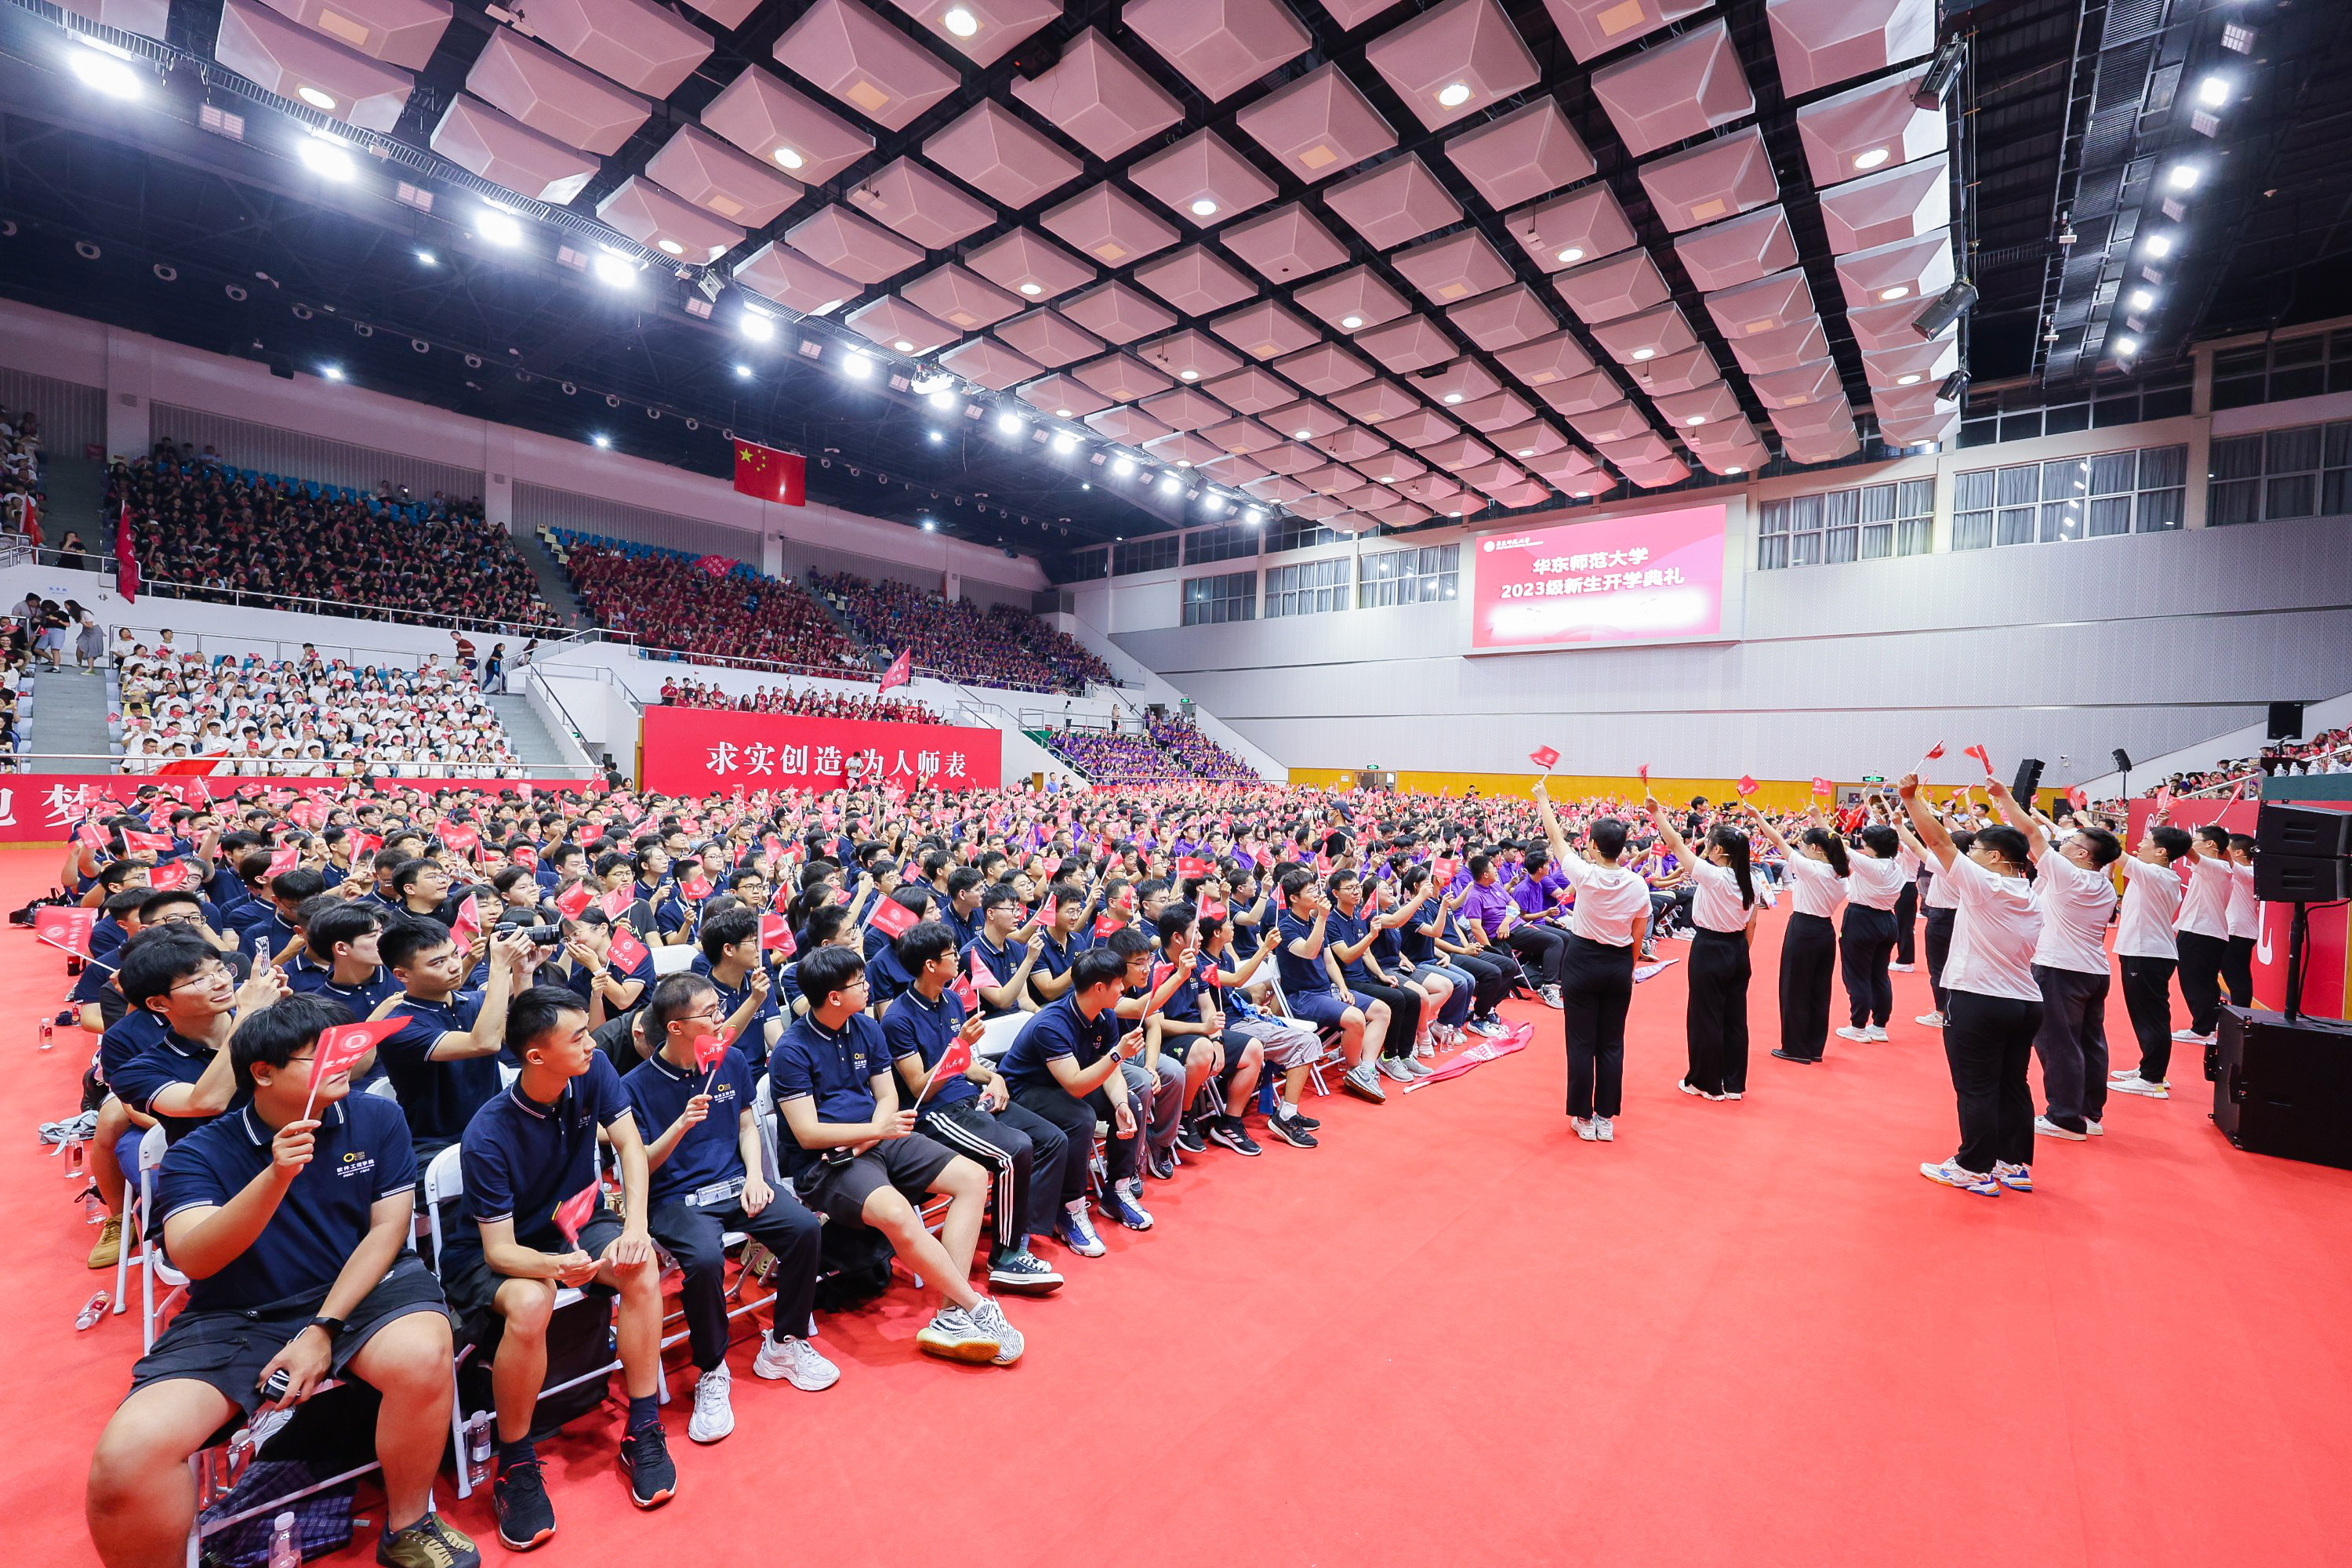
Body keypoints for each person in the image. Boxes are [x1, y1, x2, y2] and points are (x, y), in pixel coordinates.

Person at [85, 994, 477, 1568]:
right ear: (263, 1072)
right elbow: (194, 1259)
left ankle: (409, 1525)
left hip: (362, 1291)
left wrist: (322, 1328)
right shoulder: (197, 1153)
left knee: (422, 1355)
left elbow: (387, 1231)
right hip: (239, 1313)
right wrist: (275, 1175)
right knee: (126, 1457)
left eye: (344, 1048)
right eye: (319, 1055)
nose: (344, 1062)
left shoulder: (376, 1117)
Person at [442, 985, 677, 1550]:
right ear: (536, 1056)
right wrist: (555, 1266)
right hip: (497, 1249)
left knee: (641, 1268)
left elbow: (630, 1146)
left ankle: (643, 1427)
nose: (592, 1044)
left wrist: (635, 1228)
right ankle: (516, 1464)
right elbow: (500, 1252)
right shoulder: (488, 1134)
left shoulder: (591, 1073)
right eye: (577, 1038)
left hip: (576, 1223)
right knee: (531, 1302)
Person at [770, 944, 1023, 1362]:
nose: (868, 987)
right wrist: (875, 1132)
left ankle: (950, 1315)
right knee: (898, 1212)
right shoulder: (791, 1050)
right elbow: (808, 1133)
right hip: (826, 1163)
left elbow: (887, 1095)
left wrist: (874, 1134)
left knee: (973, 1177)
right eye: (858, 983)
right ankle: (976, 1306)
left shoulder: (866, 1028)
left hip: (876, 1139)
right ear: (833, 997)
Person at [626, 974, 835, 1445]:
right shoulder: (634, 1086)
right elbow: (641, 1164)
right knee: (704, 1260)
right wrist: (681, 1125)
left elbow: (745, 1126)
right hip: (675, 1199)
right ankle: (712, 1369)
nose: (721, 1019)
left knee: (804, 1227)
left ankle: (784, 1343)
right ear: (676, 1027)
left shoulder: (730, 1059)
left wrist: (757, 1176)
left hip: (738, 1184)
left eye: (719, 1008)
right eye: (710, 1013)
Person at [881, 921, 1066, 1294]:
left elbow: (964, 1064)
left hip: (968, 1097)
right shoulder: (897, 1018)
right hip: (936, 1114)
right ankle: (1006, 1258)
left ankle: (1018, 1231)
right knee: (1015, 1150)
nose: (958, 957)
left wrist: (992, 1077)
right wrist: (959, 1046)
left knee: (1052, 1139)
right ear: (930, 965)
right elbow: (920, 1089)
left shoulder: (951, 999)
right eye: (951, 954)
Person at [1896, 771, 2043, 1196]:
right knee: (2014, 1084)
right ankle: (2012, 1163)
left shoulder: (1986, 885)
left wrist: (1910, 799)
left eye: (1975, 849)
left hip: (1980, 999)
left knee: (1976, 1086)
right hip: (2025, 1001)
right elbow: (2028, 835)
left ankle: (1974, 1167)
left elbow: (1939, 843)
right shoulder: (2031, 890)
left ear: (1995, 857)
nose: (1968, 854)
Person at [1981, 782, 2121, 1142]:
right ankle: (2089, 1113)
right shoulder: (2104, 883)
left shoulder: (2070, 876)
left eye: (2071, 842)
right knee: (2090, 1043)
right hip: (2094, 970)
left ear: (2083, 855)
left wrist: (2003, 796)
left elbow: (2031, 833)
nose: (2064, 843)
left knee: (2058, 1043)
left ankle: (2064, 1117)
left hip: (2061, 969)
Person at [1000, 946, 1146, 1250]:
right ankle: (1070, 1208)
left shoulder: (1105, 1015)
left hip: (1063, 1084)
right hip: (1024, 1090)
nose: (1123, 987)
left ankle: (1117, 1191)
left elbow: (1109, 1071)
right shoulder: (1051, 1025)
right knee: (1080, 1116)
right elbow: (1076, 1087)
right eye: (1118, 983)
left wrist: (1120, 1104)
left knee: (1131, 1102)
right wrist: (1119, 1053)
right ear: (1099, 988)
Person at [1533, 780, 1651, 1141]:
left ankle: (1584, 1118)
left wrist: (1543, 799)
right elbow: (1639, 932)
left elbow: (1555, 838)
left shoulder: (1584, 874)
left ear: (1594, 846)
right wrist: (1629, 967)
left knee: (1581, 1043)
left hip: (1582, 961)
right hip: (1618, 963)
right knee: (1612, 1043)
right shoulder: (1638, 885)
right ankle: (1605, 1118)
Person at [1645, 797, 1758, 1102]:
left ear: (1718, 850)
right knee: (1735, 1019)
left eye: (1709, 843)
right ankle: (1733, 1083)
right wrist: (1740, 953)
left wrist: (1656, 812)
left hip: (1711, 948)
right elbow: (1752, 924)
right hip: (1738, 949)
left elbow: (1674, 844)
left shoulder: (1715, 875)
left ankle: (1706, 1083)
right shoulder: (1751, 878)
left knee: (1705, 1017)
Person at [1750, 811, 1849, 1064]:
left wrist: (1758, 817)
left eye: (1803, 845)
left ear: (1815, 848)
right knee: (1819, 990)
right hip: (1825, 930)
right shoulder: (1840, 873)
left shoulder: (1812, 868)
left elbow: (1777, 840)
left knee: (1794, 988)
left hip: (1804, 929)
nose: (1800, 849)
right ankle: (1814, 1047)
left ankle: (1795, 1047)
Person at [2111, 817, 2193, 1099]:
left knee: (2151, 1017)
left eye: (2146, 840)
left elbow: (2114, 852)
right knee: (2145, 1015)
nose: (2139, 844)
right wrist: (2161, 823)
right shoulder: (2156, 873)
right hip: (2143, 951)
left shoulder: (2155, 874)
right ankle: (2150, 1068)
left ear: (2161, 851)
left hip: (2147, 953)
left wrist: (2087, 823)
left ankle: (2152, 1079)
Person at [1835, 825, 1906, 1044]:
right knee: (1879, 975)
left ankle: (1858, 1026)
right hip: (1887, 921)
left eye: (1865, 843)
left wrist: (1819, 818)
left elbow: (1836, 843)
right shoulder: (1896, 867)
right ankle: (1879, 1026)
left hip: (1862, 919)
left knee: (1857, 975)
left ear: (1873, 848)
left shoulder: (1871, 865)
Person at [2172, 825, 2237, 1053]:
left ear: (2210, 844)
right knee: (2204, 982)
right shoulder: (2218, 867)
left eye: (2196, 838)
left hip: (2201, 932)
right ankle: (2208, 1024)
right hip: (2204, 932)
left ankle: (2202, 1030)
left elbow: (2188, 850)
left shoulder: (2216, 866)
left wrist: (2178, 836)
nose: (2192, 842)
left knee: (2195, 982)